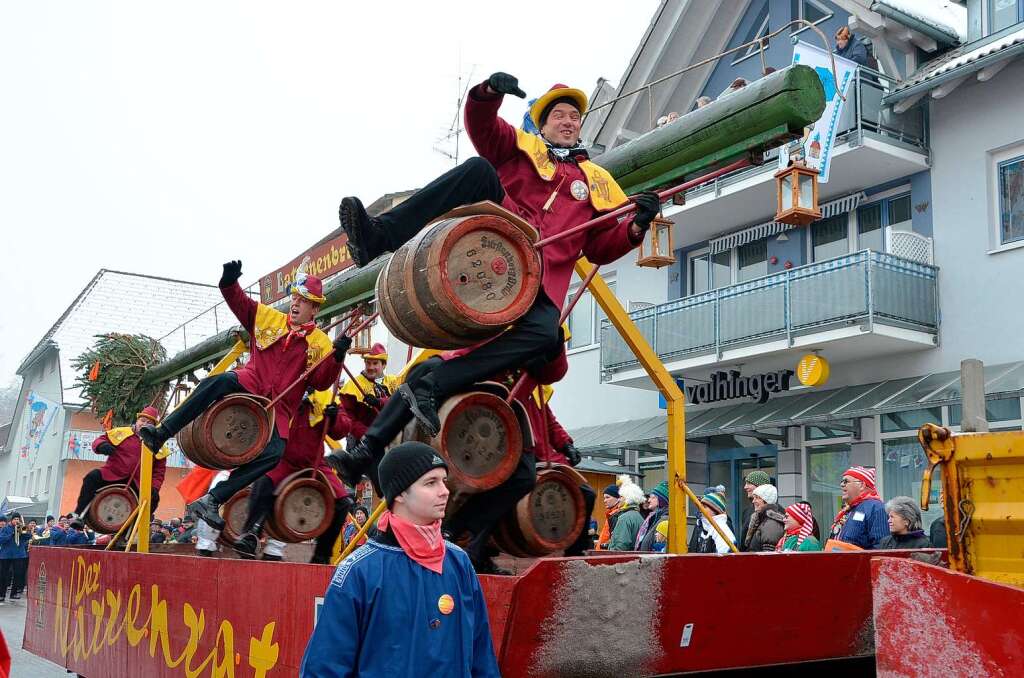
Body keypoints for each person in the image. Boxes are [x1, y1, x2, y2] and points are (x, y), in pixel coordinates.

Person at [332, 71, 660, 487]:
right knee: (477, 169)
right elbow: (482, 128)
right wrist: (487, 95)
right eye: (558, 115)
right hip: (498, 246)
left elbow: (600, 247)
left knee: (545, 334)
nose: (567, 121)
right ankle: (378, 236)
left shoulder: (597, 185)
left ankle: (428, 394)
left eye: (574, 117)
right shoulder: (521, 151)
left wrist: (635, 228)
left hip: (539, 279)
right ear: (541, 125)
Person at [138, 263, 349, 530]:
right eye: (294, 298)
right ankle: (161, 433)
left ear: (314, 309)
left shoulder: (321, 343)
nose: (296, 304)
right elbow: (239, 302)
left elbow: (322, 382)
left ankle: (213, 500)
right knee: (219, 382)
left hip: (280, 407)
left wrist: (338, 356)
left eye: (303, 300)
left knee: (274, 453)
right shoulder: (267, 318)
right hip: (251, 382)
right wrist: (229, 283)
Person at [300, 442, 500, 677]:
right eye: (430, 482)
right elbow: (324, 667)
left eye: (443, 481)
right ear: (400, 494)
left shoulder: (458, 563)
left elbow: (482, 658)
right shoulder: (359, 571)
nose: (444, 491)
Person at [234, 386, 354, 563]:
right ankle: (251, 533)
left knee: (343, 503)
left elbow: (341, 430)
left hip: (315, 463)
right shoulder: (286, 390)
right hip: (284, 459)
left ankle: (322, 554)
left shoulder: (327, 396)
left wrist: (334, 416)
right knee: (264, 481)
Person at [72, 406, 168, 520]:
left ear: (154, 426)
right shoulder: (121, 433)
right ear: (137, 421)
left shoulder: (158, 446)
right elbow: (99, 440)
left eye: (149, 422)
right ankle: (79, 514)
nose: (144, 424)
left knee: (154, 499)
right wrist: (102, 446)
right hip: (112, 474)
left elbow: (159, 472)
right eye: (142, 420)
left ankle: (136, 527)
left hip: (138, 482)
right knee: (91, 477)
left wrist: (154, 487)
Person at [338, 343, 400, 445]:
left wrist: (379, 402)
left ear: (384, 365)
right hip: (363, 441)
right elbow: (347, 417)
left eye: (375, 363)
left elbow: (400, 403)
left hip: (390, 439)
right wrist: (366, 435)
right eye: (368, 363)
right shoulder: (353, 385)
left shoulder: (393, 381)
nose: (370, 367)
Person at [829, 466, 889, 549]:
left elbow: (881, 547)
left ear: (861, 485)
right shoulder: (849, 509)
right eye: (842, 481)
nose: (842, 485)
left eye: (846, 481)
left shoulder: (876, 508)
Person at [688, 487, 736, 554]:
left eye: (704, 507)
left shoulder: (722, 529)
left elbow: (723, 560)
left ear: (714, 510)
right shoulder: (705, 525)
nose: (701, 509)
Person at [606, 477, 645, 551]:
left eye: (621, 497)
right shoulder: (639, 516)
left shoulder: (624, 517)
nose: (619, 499)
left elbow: (621, 546)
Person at [743, 484, 786, 552]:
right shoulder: (761, 519)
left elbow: (768, 558)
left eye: (757, 497)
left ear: (766, 500)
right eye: (754, 498)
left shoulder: (772, 524)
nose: (753, 501)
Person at [739, 470, 770, 551]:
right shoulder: (747, 511)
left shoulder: (774, 512)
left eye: (749, 483)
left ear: (760, 486)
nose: (745, 487)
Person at [0, 515, 28, 603]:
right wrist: (11, 534)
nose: (16, 521)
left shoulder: (21, 527)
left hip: (19, 554)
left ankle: (14, 593)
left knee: (18, 574)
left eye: (18, 519)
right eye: (15, 519)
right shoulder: (5, 528)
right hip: (6, 555)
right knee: (3, 575)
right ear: (11, 520)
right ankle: (1, 594)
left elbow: (27, 536)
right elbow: (1, 539)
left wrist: (23, 528)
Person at [635, 481, 669, 552]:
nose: (649, 500)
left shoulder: (664, 519)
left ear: (661, 500)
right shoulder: (655, 517)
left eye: (653, 497)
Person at [596, 483, 622, 550]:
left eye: (608, 497)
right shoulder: (611, 514)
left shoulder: (618, 515)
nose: (604, 501)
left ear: (618, 498)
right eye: (604, 498)